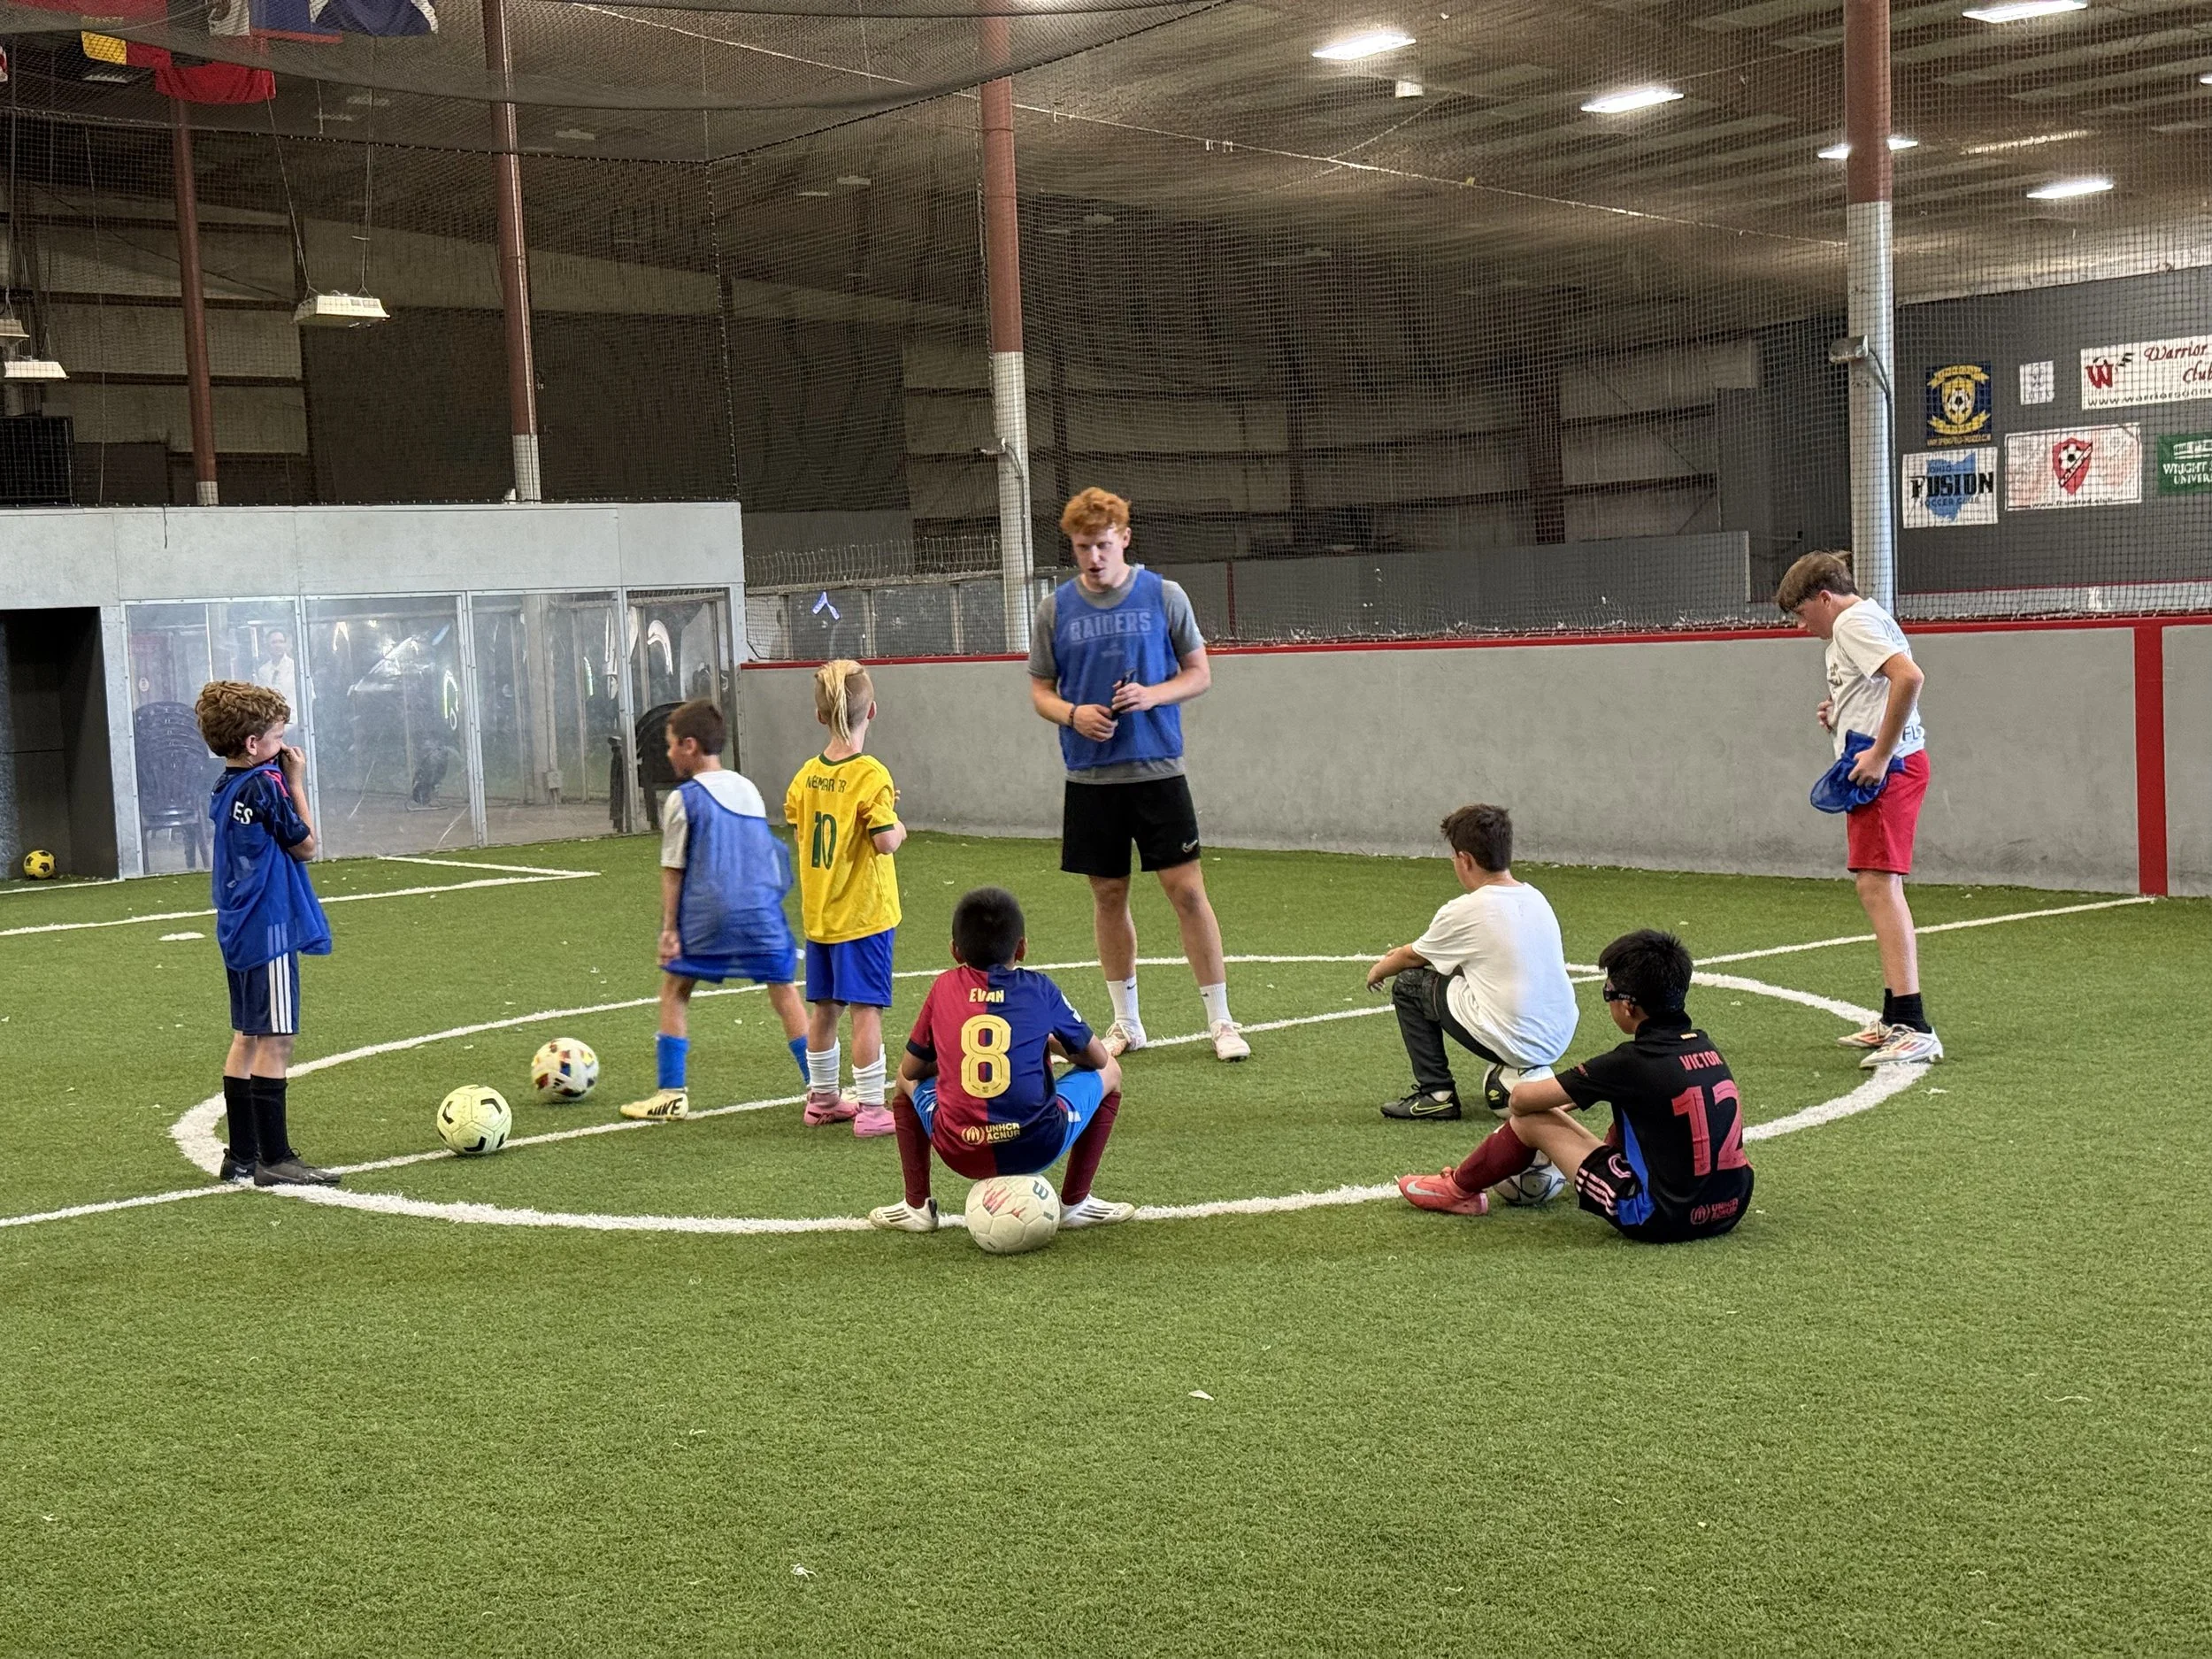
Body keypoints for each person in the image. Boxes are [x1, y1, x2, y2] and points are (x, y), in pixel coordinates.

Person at [1027, 487, 1247, 1063]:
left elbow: (1199, 674)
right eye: (1082, 547)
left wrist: (1151, 695)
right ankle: (1127, 1022)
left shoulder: (1162, 595)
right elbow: (1040, 691)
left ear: (1123, 537)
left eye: (1102, 544)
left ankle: (1221, 1021)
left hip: (1158, 772)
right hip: (1090, 780)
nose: (1093, 557)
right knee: (1108, 895)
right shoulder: (1055, 610)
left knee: (1188, 892)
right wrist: (1074, 713)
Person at [1398, 929, 1754, 1241]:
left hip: (1661, 1218)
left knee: (1529, 1120)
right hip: (1730, 1207)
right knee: (1634, 1118)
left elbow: (1521, 1099)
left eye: (1608, 993)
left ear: (1628, 1006)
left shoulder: (1630, 1062)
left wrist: (1550, 1115)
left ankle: (1459, 1188)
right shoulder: (1705, 1046)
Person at [871, 886, 1131, 1233]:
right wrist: (1047, 1043)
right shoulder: (1040, 988)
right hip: (1037, 1145)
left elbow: (911, 1070)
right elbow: (1097, 1058)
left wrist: (953, 1061)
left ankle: (916, 1206)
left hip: (961, 1149)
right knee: (1111, 1072)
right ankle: (1076, 1202)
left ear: (954, 951)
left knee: (903, 1083)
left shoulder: (943, 988)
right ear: (1021, 947)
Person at [1777, 550, 1941, 1068]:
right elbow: (1880, 684)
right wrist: (1842, 711)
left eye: (1802, 613)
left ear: (1824, 597)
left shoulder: (1851, 622)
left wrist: (1881, 752)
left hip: (1888, 772)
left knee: (1877, 885)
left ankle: (1913, 1025)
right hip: (1882, 767)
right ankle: (1896, 1016)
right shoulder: (1861, 620)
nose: (1802, 626)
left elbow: (1909, 678)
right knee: (1874, 883)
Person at [617, 699, 811, 1123]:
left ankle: (671, 1093)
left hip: (711, 916)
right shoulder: (747, 787)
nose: (667, 754)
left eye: (670, 745)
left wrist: (670, 929)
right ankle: (821, 1088)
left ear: (689, 745)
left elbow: (674, 870)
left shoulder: (683, 800)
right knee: (784, 992)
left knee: (675, 989)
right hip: (761, 914)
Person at [195, 680, 338, 1187]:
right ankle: (275, 1158)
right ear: (253, 744)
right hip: (269, 923)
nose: (285, 747)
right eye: (278, 737)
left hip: (237, 923)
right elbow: (306, 847)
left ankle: (240, 1154)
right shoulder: (268, 784)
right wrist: (296, 781)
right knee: (277, 1039)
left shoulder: (227, 782)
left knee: (248, 1035)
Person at [1365, 803, 1578, 1124]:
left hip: (1517, 1041)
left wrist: (1379, 969)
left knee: (1409, 983)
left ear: (1465, 860)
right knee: (1453, 971)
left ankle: (1436, 1094)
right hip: (1558, 1037)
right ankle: (1528, 1074)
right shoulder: (1537, 898)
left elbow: (1410, 957)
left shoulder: (1466, 910)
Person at [785, 660, 906, 1139]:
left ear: (819, 717)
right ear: (871, 710)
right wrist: (897, 822)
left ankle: (822, 1099)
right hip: (863, 914)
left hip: (820, 915)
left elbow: (801, 825)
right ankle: (874, 1109)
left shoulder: (806, 776)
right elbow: (882, 841)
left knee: (825, 1008)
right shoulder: (871, 773)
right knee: (866, 1011)